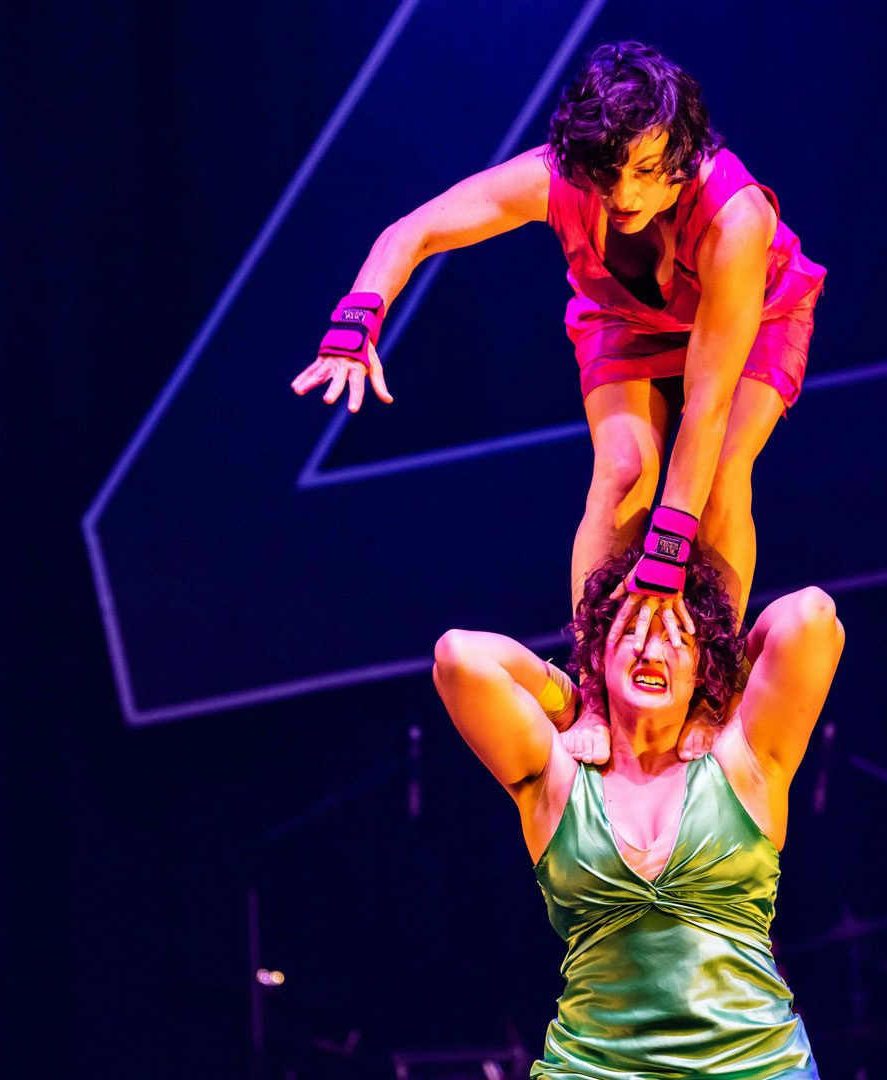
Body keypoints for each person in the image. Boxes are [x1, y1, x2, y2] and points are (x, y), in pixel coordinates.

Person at [294, 41, 828, 750]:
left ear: (681, 153)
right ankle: (596, 696)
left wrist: (666, 556)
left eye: (646, 171)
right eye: (609, 172)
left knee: (723, 474)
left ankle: (713, 692)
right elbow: (414, 231)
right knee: (623, 473)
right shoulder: (558, 179)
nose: (625, 195)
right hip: (622, 316)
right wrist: (356, 319)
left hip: (756, 315)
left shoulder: (736, 218)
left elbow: (707, 404)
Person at [431, 548, 845, 1078]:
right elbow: (459, 657)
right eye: (631, 631)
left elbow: (812, 616)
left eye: (677, 637)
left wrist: (720, 696)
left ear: (701, 669)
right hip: (593, 1069)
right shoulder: (558, 777)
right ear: (599, 655)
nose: (652, 650)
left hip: (756, 1067)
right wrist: (576, 704)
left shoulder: (744, 761)